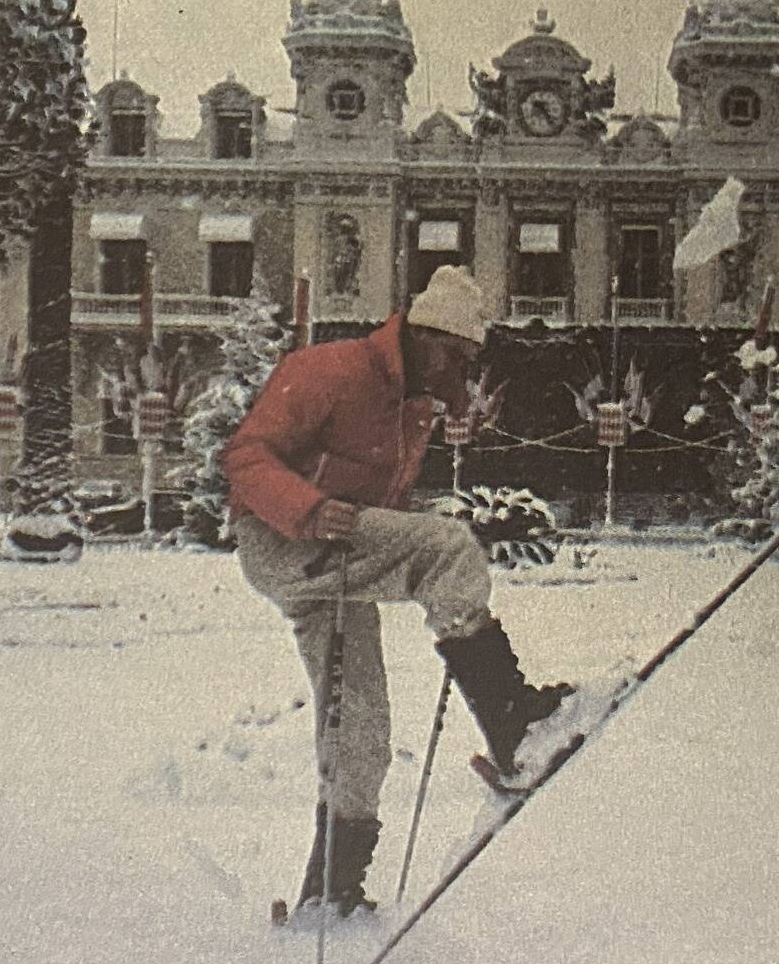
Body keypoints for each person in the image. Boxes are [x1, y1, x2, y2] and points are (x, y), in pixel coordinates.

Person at [223, 264, 573, 918]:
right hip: (279, 538)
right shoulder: (330, 368)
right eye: (457, 357)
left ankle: (329, 896)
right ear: (424, 336)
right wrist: (307, 508)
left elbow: (388, 513)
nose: (460, 374)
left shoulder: (414, 409)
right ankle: (513, 723)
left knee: (362, 731)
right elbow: (244, 457)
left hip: (331, 565)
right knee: (447, 549)